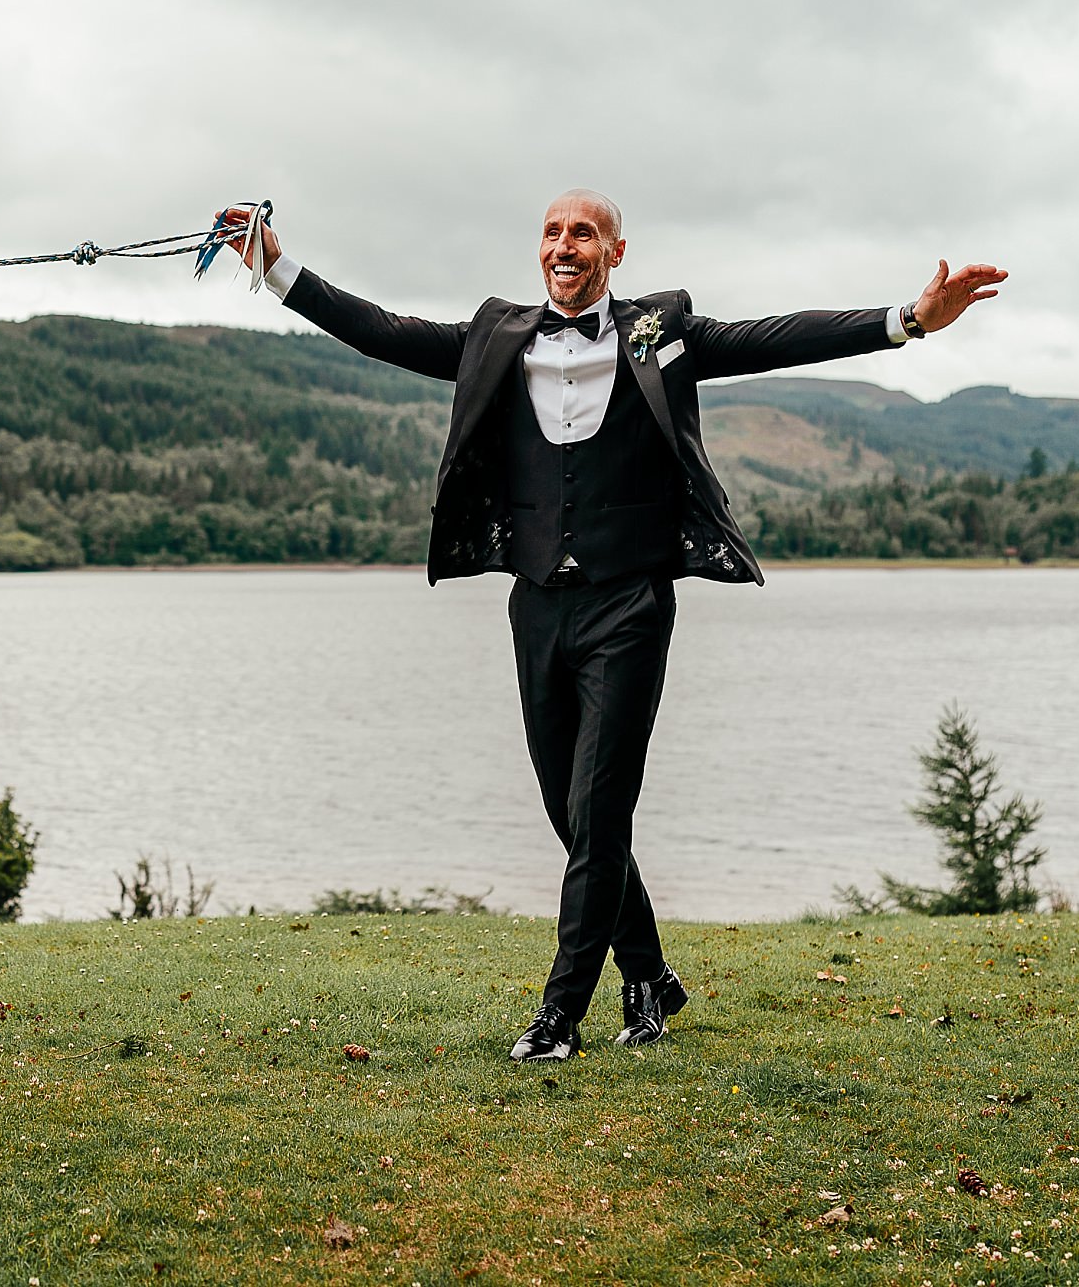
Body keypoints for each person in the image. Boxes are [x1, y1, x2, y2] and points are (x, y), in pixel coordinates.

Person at [226, 191, 1004, 1062]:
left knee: (599, 811)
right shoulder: (495, 335)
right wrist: (273, 266)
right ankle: (649, 975)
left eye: (584, 233)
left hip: (629, 606)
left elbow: (780, 337)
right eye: (553, 232)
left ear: (615, 253)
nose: (565, 246)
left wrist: (908, 320)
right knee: (572, 812)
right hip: (536, 606)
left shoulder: (659, 332)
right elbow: (380, 330)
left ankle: (560, 1014)